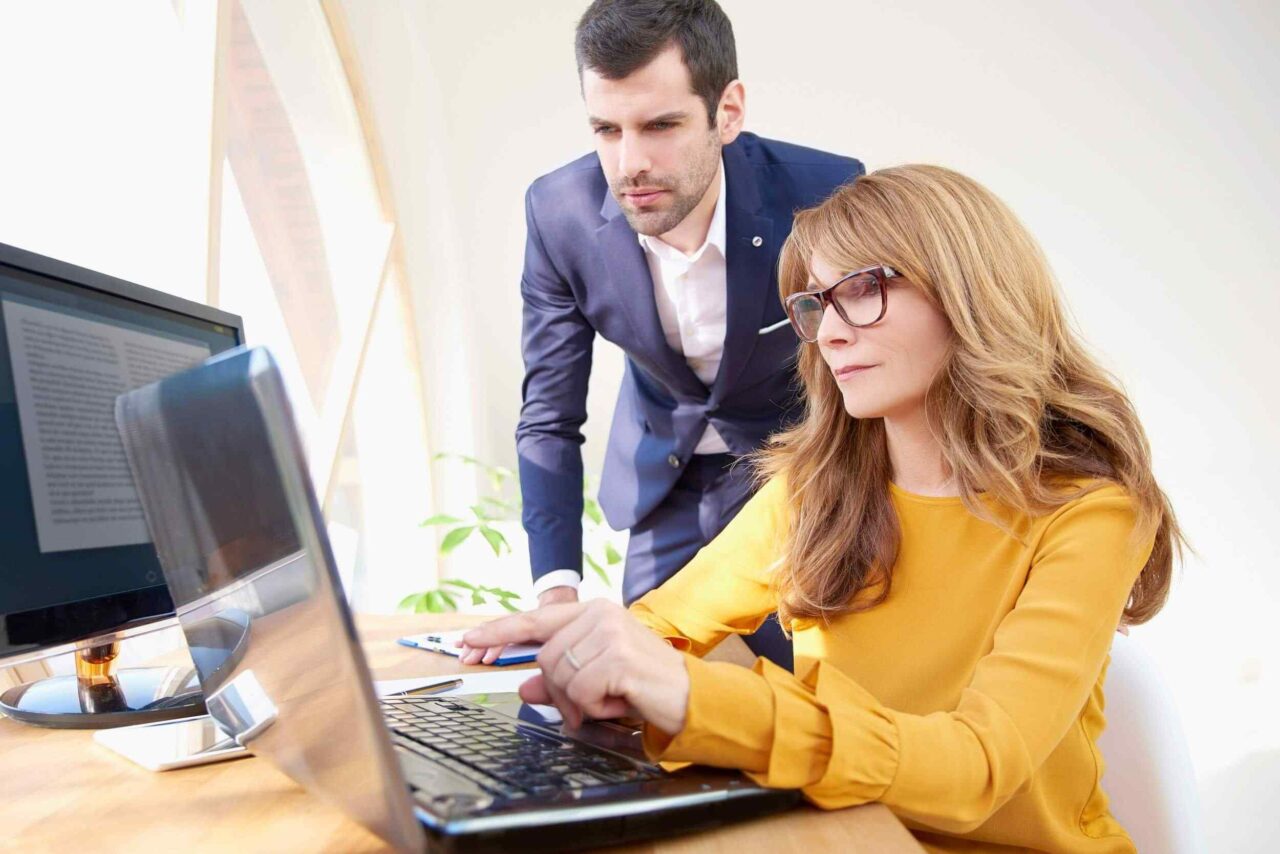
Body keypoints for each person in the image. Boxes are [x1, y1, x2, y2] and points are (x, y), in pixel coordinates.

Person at [462, 164, 1183, 853]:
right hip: (837, 835)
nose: (831, 333)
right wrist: (588, 644)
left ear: (968, 292)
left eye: (863, 289)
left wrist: (697, 698)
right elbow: (662, 628)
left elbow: (977, 769)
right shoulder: (815, 489)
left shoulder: (1090, 515)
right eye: (816, 304)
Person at [503, 0, 864, 670]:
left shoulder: (825, 195)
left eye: (660, 125)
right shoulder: (559, 215)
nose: (629, 163)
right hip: (662, 485)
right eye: (606, 129)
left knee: (815, 689)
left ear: (727, 112)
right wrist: (555, 590)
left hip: (794, 476)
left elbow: (870, 366)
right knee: (631, 688)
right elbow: (548, 414)